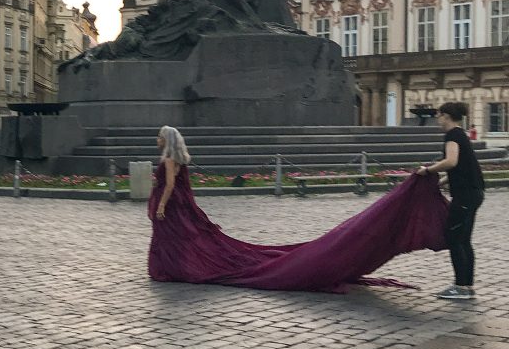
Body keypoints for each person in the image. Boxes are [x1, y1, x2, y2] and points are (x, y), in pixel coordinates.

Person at [148, 125, 449, 293]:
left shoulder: (171, 160)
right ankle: (174, 266)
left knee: (182, 240)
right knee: (183, 239)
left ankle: (178, 267)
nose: (157, 138)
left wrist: (161, 204)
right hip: (180, 209)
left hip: (174, 208)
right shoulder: (177, 157)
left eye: (160, 135)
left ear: (168, 139)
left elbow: (172, 185)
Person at [415, 101, 484, 299]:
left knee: (454, 239)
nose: (438, 119)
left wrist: (427, 171)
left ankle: (460, 287)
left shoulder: (452, 135)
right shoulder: (461, 134)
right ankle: (467, 286)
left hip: (465, 196)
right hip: (473, 193)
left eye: (439, 116)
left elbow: (451, 161)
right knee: (464, 240)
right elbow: (462, 167)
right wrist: (443, 181)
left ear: (445, 116)